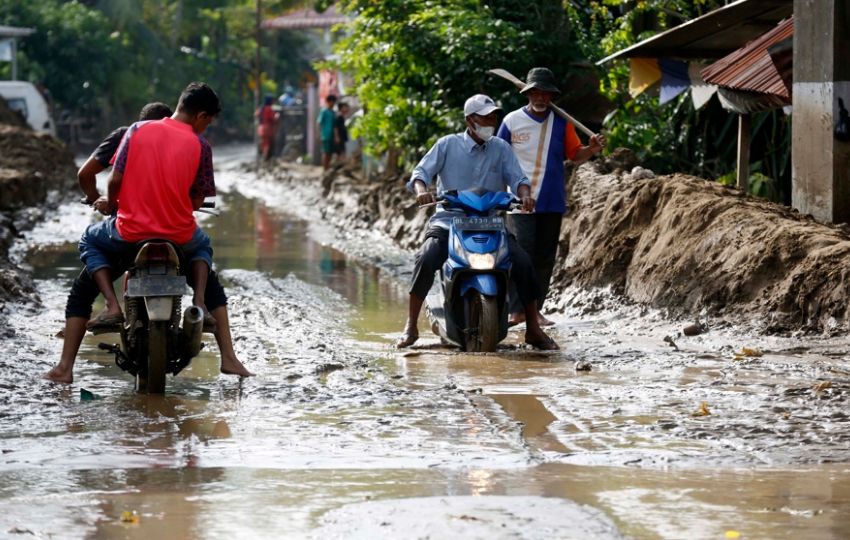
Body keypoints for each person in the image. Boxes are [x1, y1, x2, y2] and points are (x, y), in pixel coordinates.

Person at [43, 101, 252, 383]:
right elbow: (196, 197)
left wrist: (102, 202)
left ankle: (67, 364)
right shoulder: (189, 142)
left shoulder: (128, 134)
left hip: (129, 232)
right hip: (175, 234)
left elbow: (90, 175)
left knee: (83, 285)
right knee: (208, 274)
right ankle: (227, 352)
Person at [395, 94, 558, 351]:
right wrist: (420, 191)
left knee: (524, 263)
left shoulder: (501, 148)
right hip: (449, 221)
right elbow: (420, 173)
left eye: (494, 117)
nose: (491, 121)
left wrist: (525, 195)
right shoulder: (447, 145)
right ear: (470, 120)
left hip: (491, 222)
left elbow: (518, 179)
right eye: (486, 117)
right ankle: (411, 324)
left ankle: (533, 330)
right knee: (426, 258)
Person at [497, 67, 605, 327]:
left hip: (551, 199)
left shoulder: (562, 123)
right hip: (518, 201)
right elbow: (497, 156)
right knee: (521, 254)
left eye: (545, 93)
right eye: (535, 92)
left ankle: (535, 311)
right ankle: (516, 310)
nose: (540, 98)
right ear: (527, 93)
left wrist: (590, 150)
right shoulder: (511, 121)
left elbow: (574, 155)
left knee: (544, 258)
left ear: (552, 97)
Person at [255, 94, 279, 161]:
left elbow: (256, 114)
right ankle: (265, 159)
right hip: (267, 129)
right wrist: (276, 116)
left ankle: (261, 157)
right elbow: (273, 118)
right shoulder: (269, 109)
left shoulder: (261, 108)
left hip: (260, 128)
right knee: (267, 144)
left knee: (263, 143)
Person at [318, 94, 337, 169]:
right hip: (325, 135)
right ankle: (325, 168)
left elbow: (335, 126)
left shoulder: (333, 113)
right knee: (326, 152)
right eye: (331, 101)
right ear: (328, 102)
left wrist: (336, 136)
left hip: (332, 135)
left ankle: (328, 167)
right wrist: (319, 134)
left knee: (330, 153)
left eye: (333, 102)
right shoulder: (324, 111)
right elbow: (319, 123)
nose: (332, 103)